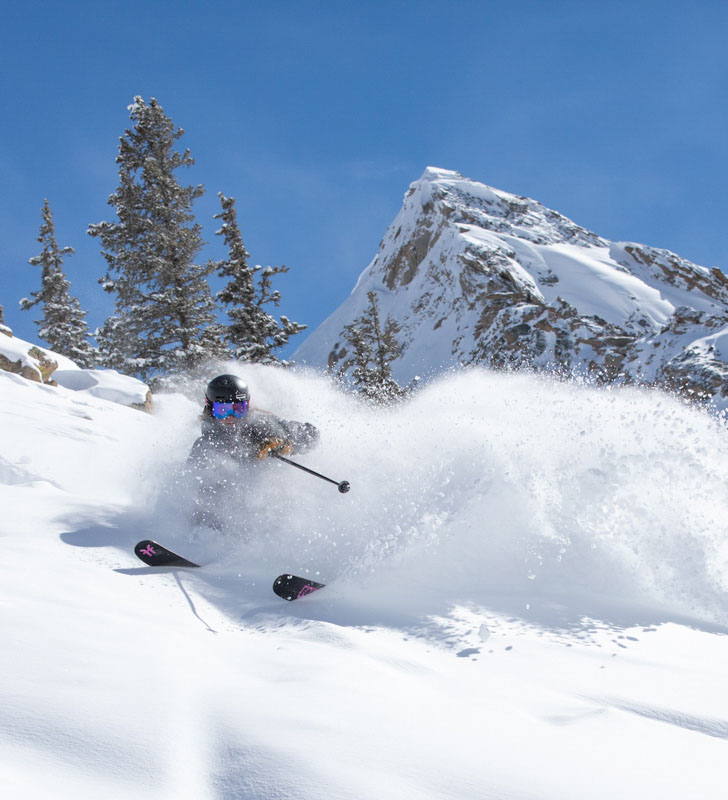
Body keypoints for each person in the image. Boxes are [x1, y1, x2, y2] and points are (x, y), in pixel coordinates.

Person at [187, 374, 319, 531]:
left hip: (270, 503)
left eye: (238, 409)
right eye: (222, 410)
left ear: (246, 406)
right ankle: (203, 537)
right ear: (210, 409)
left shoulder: (264, 425)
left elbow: (312, 434)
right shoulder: (205, 444)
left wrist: (288, 444)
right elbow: (190, 483)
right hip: (230, 513)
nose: (230, 417)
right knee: (207, 487)